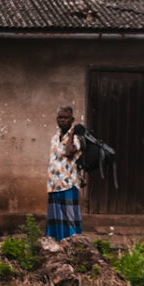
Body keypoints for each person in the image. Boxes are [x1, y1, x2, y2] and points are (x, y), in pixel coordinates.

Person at [46, 103, 84, 241]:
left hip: (68, 183)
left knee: (70, 219)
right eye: (59, 117)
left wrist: (72, 133)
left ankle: (74, 246)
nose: (62, 120)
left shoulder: (78, 138)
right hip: (54, 184)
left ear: (72, 120)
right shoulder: (55, 137)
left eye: (65, 118)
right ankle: (57, 247)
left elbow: (69, 152)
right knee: (55, 219)